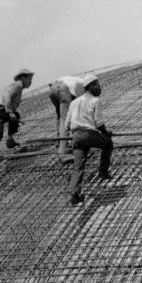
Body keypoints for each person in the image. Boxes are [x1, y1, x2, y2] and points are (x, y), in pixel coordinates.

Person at [65, 74, 113, 206]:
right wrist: (106, 134)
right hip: (89, 134)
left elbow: (67, 124)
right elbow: (99, 124)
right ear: (91, 87)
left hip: (76, 137)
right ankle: (103, 172)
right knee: (108, 144)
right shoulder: (95, 101)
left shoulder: (74, 102)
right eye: (97, 85)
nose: (100, 88)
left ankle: (74, 193)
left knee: (78, 167)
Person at [0, 69, 34, 168]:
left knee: (16, 116)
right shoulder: (18, 85)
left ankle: (10, 140)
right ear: (22, 78)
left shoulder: (18, 86)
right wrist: (10, 112)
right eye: (29, 78)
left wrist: (12, 114)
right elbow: (7, 95)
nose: (31, 81)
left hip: (1, 109)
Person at [48, 75, 86, 162]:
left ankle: (58, 144)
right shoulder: (86, 89)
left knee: (59, 117)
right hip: (64, 89)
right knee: (65, 120)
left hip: (53, 89)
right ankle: (63, 153)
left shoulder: (80, 82)